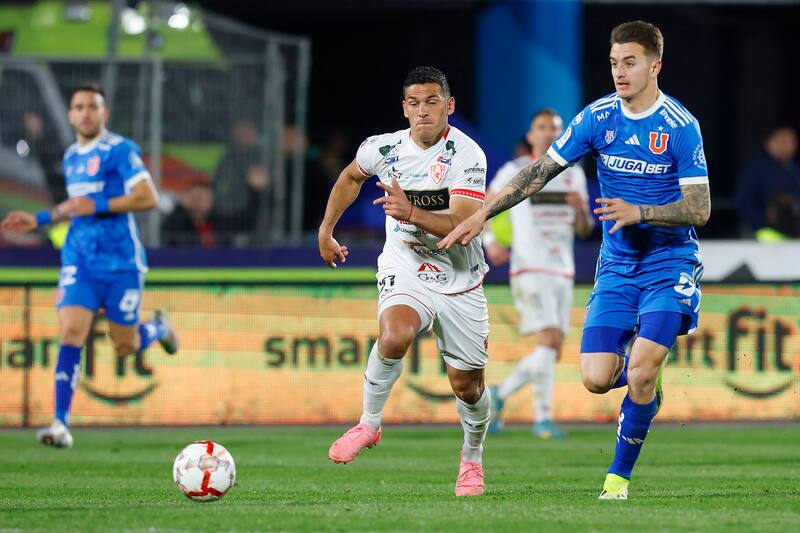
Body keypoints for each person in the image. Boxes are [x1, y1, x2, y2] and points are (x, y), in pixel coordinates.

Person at [439, 21, 711, 500]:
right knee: (594, 379)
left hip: (670, 263)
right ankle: (646, 380)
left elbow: (701, 209)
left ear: (655, 65)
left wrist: (641, 211)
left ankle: (617, 478)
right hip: (617, 269)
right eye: (613, 62)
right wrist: (482, 212)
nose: (620, 72)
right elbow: (539, 172)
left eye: (630, 62)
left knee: (642, 370)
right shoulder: (597, 118)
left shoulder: (679, 127)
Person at [318, 66, 491, 496]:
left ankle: (471, 458)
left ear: (449, 106)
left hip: (460, 278)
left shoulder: (467, 155)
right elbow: (350, 177)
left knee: (466, 386)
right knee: (394, 336)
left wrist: (411, 212)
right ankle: (368, 425)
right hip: (407, 267)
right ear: (404, 108)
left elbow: (464, 225)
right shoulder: (384, 148)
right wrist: (326, 230)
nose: (423, 111)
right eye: (414, 103)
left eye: (432, 102)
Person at [0, 83, 179, 448]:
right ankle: (60, 424)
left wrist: (98, 204)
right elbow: (74, 205)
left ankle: (159, 328)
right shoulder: (71, 157)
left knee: (125, 346)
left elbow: (148, 197)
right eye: (78, 107)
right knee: (71, 334)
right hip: (79, 260)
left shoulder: (119, 150)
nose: (85, 113)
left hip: (121, 264)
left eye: (92, 107)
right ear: (70, 115)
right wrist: (39, 218)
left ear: (104, 113)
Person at [483, 108, 594, 439]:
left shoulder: (573, 175)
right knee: (549, 341)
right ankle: (542, 419)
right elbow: (486, 206)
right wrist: (490, 240)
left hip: (562, 270)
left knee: (554, 348)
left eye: (554, 129)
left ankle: (499, 396)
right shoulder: (515, 170)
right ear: (531, 135)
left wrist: (577, 209)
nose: (548, 133)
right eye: (541, 128)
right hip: (530, 266)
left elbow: (586, 229)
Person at [735, 126, 800, 237]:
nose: (786, 145)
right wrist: (766, 219)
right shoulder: (754, 170)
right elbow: (743, 203)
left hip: (794, 234)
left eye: (791, 141)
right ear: (768, 143)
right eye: (782, 141)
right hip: (760, 234)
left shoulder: (796, 170)